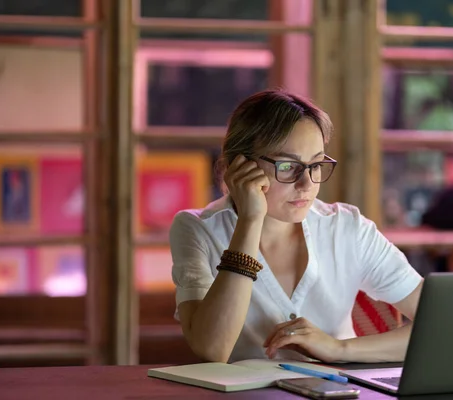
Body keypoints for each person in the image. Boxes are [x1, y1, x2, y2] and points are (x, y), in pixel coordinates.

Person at [169, 89, 423, 364]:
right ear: (237, 166)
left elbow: (443, 324)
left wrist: (337, 349)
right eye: (288, 166)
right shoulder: (197, 229)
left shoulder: (348, 228)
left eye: (315, 164)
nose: (307, 185)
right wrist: (250, 220)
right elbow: (212, 349)